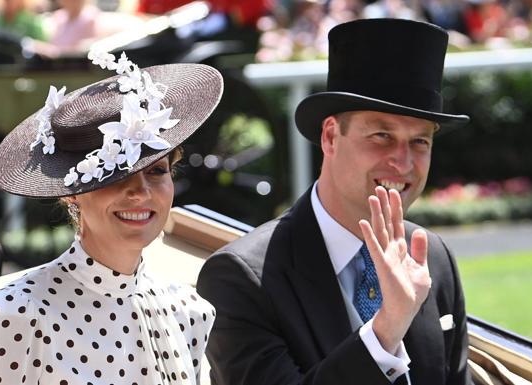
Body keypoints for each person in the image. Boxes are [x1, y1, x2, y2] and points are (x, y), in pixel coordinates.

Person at [197, 18, 473, 385]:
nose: (404, 162)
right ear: (330, 136)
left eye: (420, 141)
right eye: (381, 135)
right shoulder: (241, 278)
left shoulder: (433, 257)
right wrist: (385, 332)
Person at [0, 50, 223, 385]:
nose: (140, 193)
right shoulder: (14, 313)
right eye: (115, 178)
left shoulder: (190, 311)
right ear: (70, 193)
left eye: (157, 171)